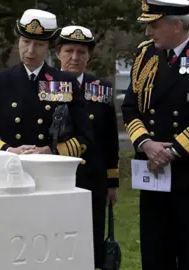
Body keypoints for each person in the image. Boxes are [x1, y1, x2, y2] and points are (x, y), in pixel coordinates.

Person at [121, 1, 189, 269]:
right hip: (153, 175)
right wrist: (146, 144)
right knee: (155, 254)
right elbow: (131, 107)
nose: (148, 33)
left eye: (154, 25)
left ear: (177, 25)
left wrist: (171, 151)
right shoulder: (145, 56)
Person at [0, 9, 93, 158]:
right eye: (26, 42)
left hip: (50, 167)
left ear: (48, 48)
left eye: (39, 44)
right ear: (19, 42)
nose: (30, 51)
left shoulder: (65, 81)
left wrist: (49, 150)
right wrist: (10, 151)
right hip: (11, 167)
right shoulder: (0, 80)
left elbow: (86, 135)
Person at [56, 25, 120, 269]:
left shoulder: (100, 88)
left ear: (89, 56)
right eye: (69, 51)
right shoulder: (45, 84)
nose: (74, 57)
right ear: (58, 53)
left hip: (92, 177)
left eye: (81, 52)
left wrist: (112, 183)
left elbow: (109, 139)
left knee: (91, 237)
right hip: (56, 175)